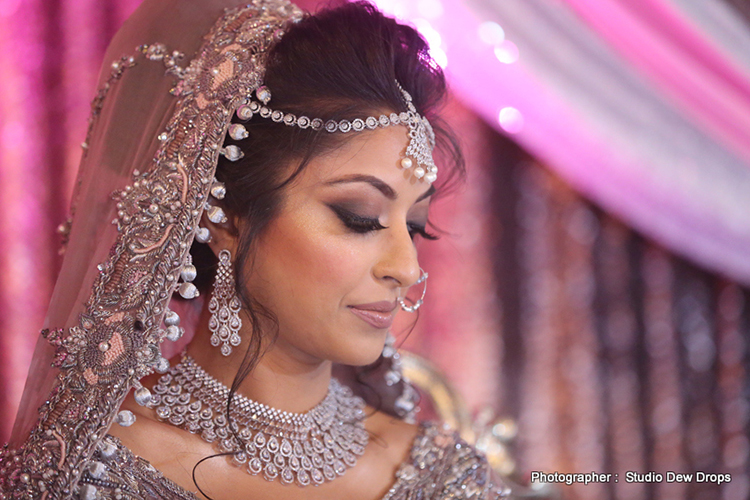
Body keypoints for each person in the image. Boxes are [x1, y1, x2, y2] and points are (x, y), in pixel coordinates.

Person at [0, 0, 510, 498]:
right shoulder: (88, 477)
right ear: (222, 216)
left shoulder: (446, 480)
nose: (405, 267)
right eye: (360, 218)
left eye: (416, 226)